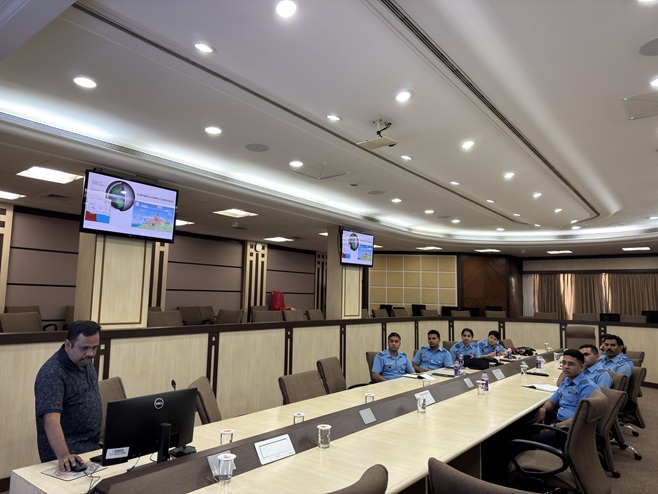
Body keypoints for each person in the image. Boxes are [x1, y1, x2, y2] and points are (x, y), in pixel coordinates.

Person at [34, 321, 103, 471]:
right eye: (84, 348)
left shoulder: (85, 363)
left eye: (94, 347)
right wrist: (64, 455)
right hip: (68, 454)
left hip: (92, 446)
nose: (91, 353)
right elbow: (51, 420)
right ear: (67, 345)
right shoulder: (52, 373)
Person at [534, 349, 600, 429]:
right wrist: (543, 408)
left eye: (571, 364)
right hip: (558, 421)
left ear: (582, 367)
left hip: (571, 428)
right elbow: (552, 402)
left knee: (532, 434)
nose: (565, 367)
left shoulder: (587, 387)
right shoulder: (566, 381)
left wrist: (554, 426)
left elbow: (581, 418)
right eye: (564, 363)